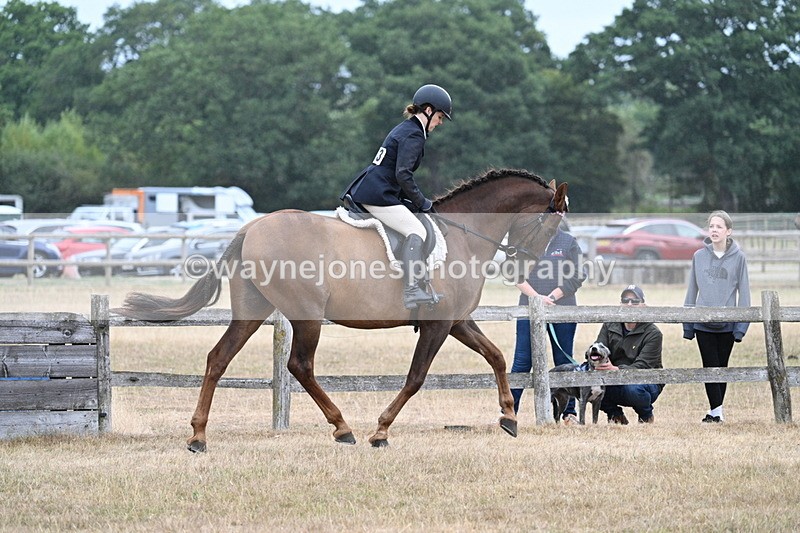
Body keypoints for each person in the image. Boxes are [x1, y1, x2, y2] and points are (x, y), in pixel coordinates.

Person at [340, 84, 452, 309]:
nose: (440, 123)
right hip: (377, 195)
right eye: (440, 117)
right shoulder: (414, 135)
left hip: (376, 189)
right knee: (417, 230)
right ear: (428, 111)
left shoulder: (406, 128)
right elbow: (403, 174)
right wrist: (422, 202)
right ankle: (412, 291)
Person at [511, 224, 585, 422]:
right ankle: (509, 412)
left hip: (563, 308)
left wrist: (552, 297)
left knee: (564, 360)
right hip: (528, 308)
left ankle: (569, 413)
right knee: (522, 361)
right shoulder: (525, 240)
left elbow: (578, 274)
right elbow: (515, 274)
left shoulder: (568, 242)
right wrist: (537, 299)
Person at [683, 210, 750, 423]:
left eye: (719, 227)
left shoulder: (739, 258)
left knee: (722, 367)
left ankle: (715, 412)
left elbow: (744, 293)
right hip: (703, 323)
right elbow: (692, 290)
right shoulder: (698, 257)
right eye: (712, 226)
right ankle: (717, 412)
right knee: (709, 367)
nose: (714, 230)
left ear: (728, 231)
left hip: (728, 325)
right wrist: (688, 324)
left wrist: (740, 327)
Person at [595, 285, 663, 424]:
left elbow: (643, 366)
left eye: (635, 301)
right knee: (585, 386)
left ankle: (646, 415)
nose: (629, 304)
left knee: (633, 389)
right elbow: (599, 348)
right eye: (625, 301)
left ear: (643, 305)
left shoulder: (653, 333)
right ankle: (615, 414)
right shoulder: (609, 325)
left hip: (644, 380)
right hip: (612, 377)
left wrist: (617, 370)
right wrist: (600, 363)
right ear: (620, 304)